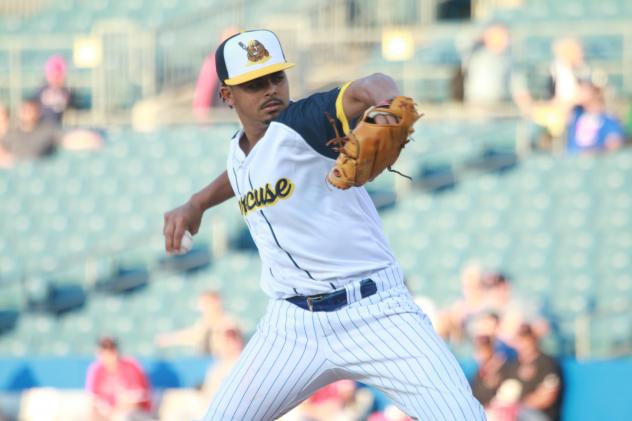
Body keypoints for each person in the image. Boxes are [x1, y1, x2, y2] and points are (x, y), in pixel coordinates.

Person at [163, 29, 485, 421]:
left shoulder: (305, 121)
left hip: (376, 312)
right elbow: (241, 171)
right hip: (291, 326)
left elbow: (374, 85)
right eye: (253, 84)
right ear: (226, 95)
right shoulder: (240, 148)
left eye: (276, 78)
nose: (270, 91)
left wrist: (385, 107)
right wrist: (197, 202)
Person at [488, 324, 563, 421]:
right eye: (520, 340)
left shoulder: (547, 363)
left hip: (540, 415)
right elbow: (500, 390)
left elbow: (547, 397)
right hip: (513, 411)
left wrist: (517, 406)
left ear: (534, 340)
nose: (524, 343)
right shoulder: (513, 365)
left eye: (527, 339)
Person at [85, 337, 153, 421]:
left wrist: (114, 410)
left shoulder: (131, 365)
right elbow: (92, 401)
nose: (108, 354)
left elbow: (137, 401)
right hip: (109, 414)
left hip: (137, 413)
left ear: (116, 351)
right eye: (104, 351)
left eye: (111, 350)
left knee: (123, 417)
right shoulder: (96, 369)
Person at [154, 290, 236, 356]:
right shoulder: (203, 324)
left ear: (216, 303)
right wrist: (169, 339)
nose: (202, 308)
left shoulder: (229, 323)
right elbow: (192, 336)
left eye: (206, 304)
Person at [566, 81, 625, 153]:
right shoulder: (577, 114)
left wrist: (593, 153)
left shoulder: (608, 120)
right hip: (573, 160)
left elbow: (613, 145)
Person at [35, 55, 74, 125]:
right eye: (53, 75)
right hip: (43, 127)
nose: (56, 79)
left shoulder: (66, 92)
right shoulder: (41, 92)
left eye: (58, 76)